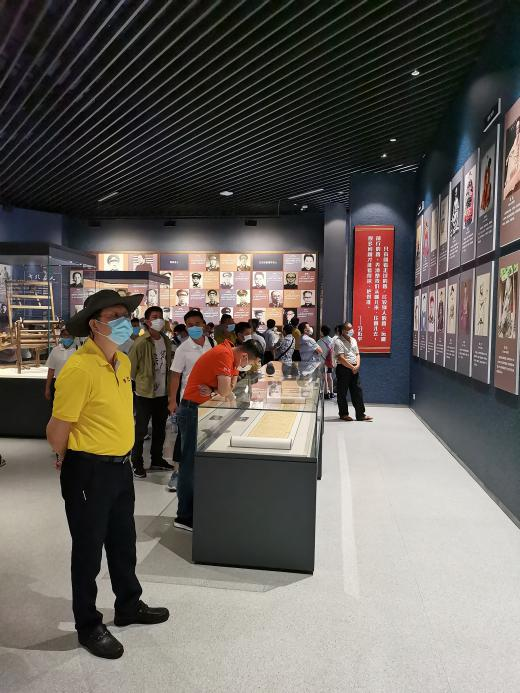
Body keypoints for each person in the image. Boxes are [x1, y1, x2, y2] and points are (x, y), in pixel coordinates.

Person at [46, 289, 169, 660]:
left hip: (120, 467)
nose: (123, 323)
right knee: (88, 550)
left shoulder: (123, 362)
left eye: (125, 316)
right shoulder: (79, 368)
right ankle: (88, 624)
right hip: (88, 471)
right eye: (114, 317)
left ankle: (128, 604)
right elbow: (57, 428)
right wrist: (66, 458)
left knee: (123, 541)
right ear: (94, 324)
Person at [169, 339, 263, 530]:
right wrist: (220, 391)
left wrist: (214, 391)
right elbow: (225, 390)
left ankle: (195, 509)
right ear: (245, 355)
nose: (246, 367)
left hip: (203, 409)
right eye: (250, 363)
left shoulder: (231, 357)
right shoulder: (223, 354)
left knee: (198, 463)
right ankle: (184, 516)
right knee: (189, 465)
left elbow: (230, 388)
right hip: (192, 410)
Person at [167, 310, 214, 492]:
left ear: (204, 324)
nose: (194, 327)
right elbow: (175, 376)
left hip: (209, 400)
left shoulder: (212, 344)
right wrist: (172, 401)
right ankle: (177, 473)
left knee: (204, 436)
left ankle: (200, 473)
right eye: (190, 325)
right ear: (186, 327)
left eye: (197, 324)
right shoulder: (183, 349)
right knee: (184, 439)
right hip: (188, 401)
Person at [129, 307, 174, 479]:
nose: (159, 320)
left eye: (161, 317)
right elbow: (130, 370)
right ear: (147, 321)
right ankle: (136, 462)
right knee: (140, 430)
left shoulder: (165, 340)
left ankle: (157, 459)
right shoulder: (140, 343)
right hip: (144, 394)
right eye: (155, 317)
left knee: (160, 428)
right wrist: (140, 384)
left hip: (162, 393)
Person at [333, 322, 373, 422]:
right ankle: (343, 414)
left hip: (354, 368)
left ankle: (360, 415)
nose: (351, 331)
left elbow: (357, 354)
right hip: (343, 368)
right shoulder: (338, 342)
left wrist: (357, 365)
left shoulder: (353, 340)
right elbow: (341, 358)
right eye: (349, 329)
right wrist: (352, 367)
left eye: (352, 328)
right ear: (343, 331)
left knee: (357, 391)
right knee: (342, 392)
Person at [45, 328, 78, 401]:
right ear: (61, 336)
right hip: (59, 386)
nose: (67, 337)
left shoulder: (78, 350)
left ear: (73, 337)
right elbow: (51, 370)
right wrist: (47, 388)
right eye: (65, 335)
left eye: (69, 335)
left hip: (75, 386)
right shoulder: (55, 350)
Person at [317, 325, 335, 398]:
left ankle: (326, 393)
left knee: (324, 377)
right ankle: (332, 393)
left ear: (322, 332)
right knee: (329, 377)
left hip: (323, 361)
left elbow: (318, 352)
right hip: (330, 361)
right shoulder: (332, 340)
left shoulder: (319, 341)